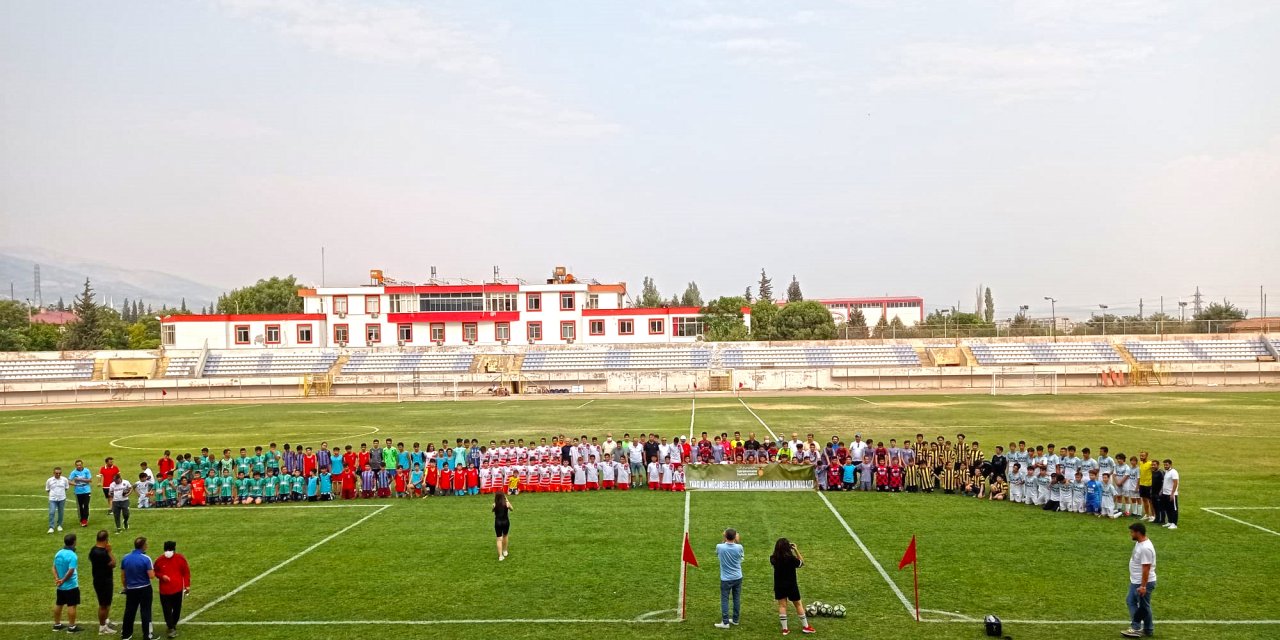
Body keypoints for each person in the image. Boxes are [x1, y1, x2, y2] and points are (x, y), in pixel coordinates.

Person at [770, 538, 814, 635]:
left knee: (782, 605)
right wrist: (796, 550)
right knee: (798, 604)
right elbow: (802, 563)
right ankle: (806, 626)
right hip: (791, 585)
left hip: (779, 585)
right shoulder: (791, 559)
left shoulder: (773, 558)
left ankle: (785, 629)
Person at [1123, 523, 1157, 638]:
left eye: (1132, 532)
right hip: (1136, 581)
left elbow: (1146, 569)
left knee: (1143, 606)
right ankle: (1148, 629)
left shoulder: (1145, 548)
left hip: (1142, 583)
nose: (1130, 534)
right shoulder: (1140, 543)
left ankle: (1136, 627)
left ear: (1138, 533)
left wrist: (1143, 586)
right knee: (1132, 601)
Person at [154, 541, 191, 639]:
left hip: (177, 589)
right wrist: (162, 576)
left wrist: (187, 585)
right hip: (164, 591)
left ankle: (172, 624)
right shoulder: (159, 560)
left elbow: (186, 572)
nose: (168, 552)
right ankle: (171, 627)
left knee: (177, 610)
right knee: (166, 610)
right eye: (167, 550)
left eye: (170, 550)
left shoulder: (180, 558)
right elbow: (155, 572)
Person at [120, 537, 155, 640]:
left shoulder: (125, 558)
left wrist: (125, 587)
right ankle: (147, 635)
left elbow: (123, 576)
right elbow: (151, 576)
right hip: (144, 589)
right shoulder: (146, 558)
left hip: (131, 589)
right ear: (143, 546)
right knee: (146, 611)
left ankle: (126, 634)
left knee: (129, 611)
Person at [88, 530, 120, 634]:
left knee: (107, 603)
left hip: (100, 579)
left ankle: (105, 621)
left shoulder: (93, 550)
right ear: (106, 539)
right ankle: (102, 627)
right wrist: (110, 551)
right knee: (103, 605)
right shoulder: (102, 553)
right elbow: (113, 563)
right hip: (103, 581)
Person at [53, 533, 84, 633]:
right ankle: (71, 627)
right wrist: (63, 580)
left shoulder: (58, 553)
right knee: (72, 605)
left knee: (59, 604)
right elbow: (70, 571)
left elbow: (53, 567)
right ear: (74, 542)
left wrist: (57, 579)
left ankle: (57, 624)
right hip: (71, 586)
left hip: (60, 586)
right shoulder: (72, 555)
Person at [714, 528, 744, 629]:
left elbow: (719, 550)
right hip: (738, 577)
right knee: (736, 598)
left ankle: (725, 622)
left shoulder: (720, 547)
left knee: (725, 600)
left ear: (725, 536)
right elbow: (741, 556)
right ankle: (735, 620)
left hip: (726, 579)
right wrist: (735, 540)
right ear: (735, 537)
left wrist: (724, 537)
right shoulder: (739, 547)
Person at [69, 460, 94, 527]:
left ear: (82, 465)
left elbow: (90, 480)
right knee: (80, 506)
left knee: (86, 505)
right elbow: (69, 481)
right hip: (78, 491)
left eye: (80, 465)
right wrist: (75, 484)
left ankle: (85, 520)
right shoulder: (74, 472)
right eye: (77, 465)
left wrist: (80, 479)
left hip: (86, 490)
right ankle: (81, 519)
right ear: (75, 466)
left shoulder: (86, 470)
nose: (79, 466)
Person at [47, 466, 70, 534]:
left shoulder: (64, 479)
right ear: (53, 473)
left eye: (59, 473)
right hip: (52, 499)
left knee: (61, 512)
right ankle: (51, 527)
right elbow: (48, 489)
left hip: (62, 498)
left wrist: (60, 494)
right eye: (56, 473)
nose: (58, 474)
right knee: (52, 512)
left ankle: (59, 525)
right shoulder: (49, 480)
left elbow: (66, 488)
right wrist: (53, 494)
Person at [1159, 460, 1179, 530]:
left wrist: (1172, 493)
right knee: (1167, 508)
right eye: (1164, 465)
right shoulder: (1167, 472)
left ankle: (1174, 524)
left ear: (1170, 464)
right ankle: (1170, 521)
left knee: (1174, 509)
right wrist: (1162, 491)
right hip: (1165, 493)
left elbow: (1175, 483)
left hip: (1171, 494)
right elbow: (1165, 483)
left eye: (1166, 465)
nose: (1165, 466)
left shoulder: (1174, 472)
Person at [493, 491, 513, 561]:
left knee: (499, 539)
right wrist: (507, 500)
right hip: (506, 522)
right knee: (505, 535)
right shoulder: (507, 504)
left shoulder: (494, 504)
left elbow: (492, 510)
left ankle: (500, 556)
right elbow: (512, 509)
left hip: (498, 522)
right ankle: (505, 551)